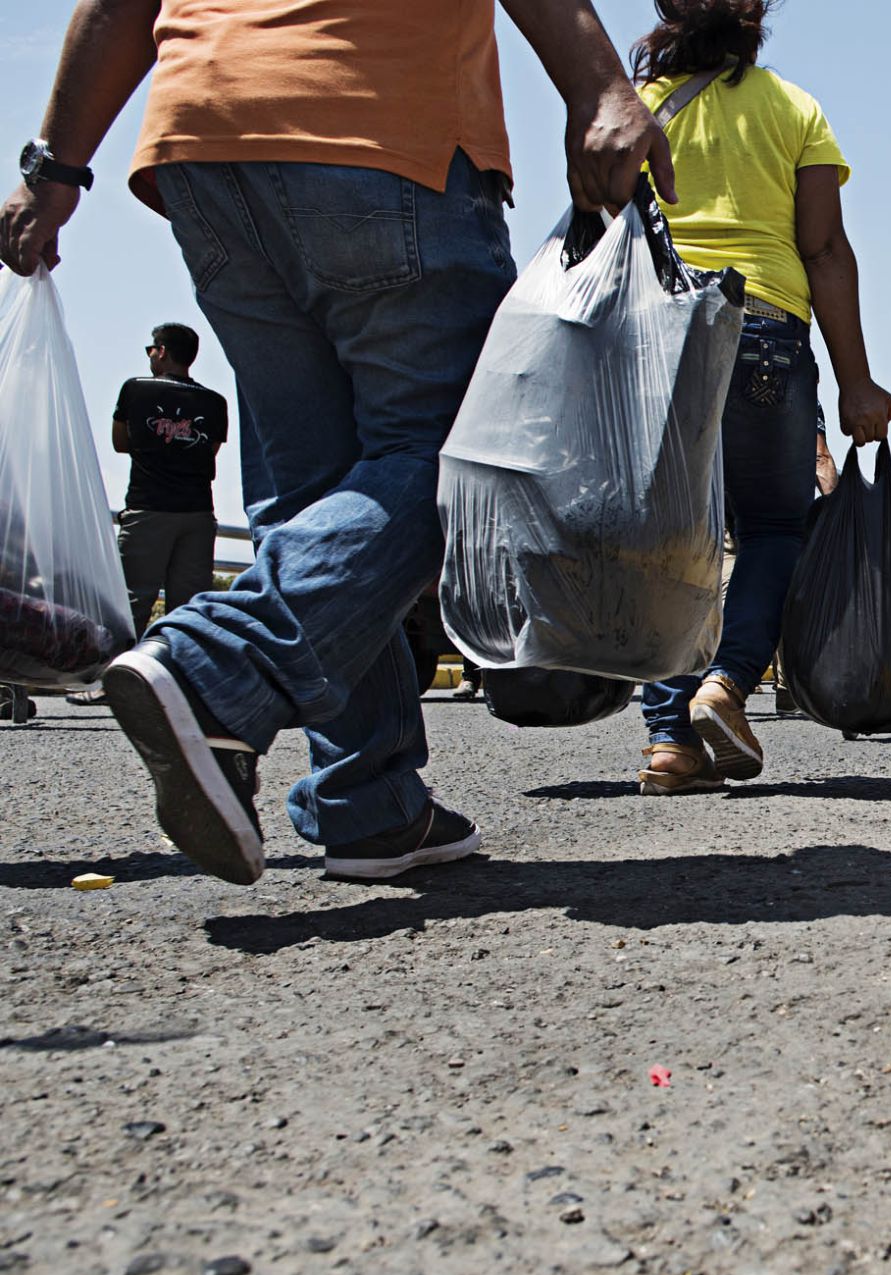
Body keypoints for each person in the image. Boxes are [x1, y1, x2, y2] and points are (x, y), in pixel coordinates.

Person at [1, 0, 678, 885]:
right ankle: (213, 665)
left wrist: (55, 169)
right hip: (380, 127)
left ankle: (370, 802)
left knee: (311, 489)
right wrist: (596, 83)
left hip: (204, 142)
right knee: (470, 462)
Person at [631, 0, 891, 796]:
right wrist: (856, 380)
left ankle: (670, 741)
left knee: (672, 536)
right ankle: (730, 681)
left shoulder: (638, 108)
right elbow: (823, 247)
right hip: (765, 332)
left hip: (657, 333)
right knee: (775, 525)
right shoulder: (793, 109)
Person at [111, 322, 227, 636]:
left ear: (162, 352)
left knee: (129, 604)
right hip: (198, 515)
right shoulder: (216, 403)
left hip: (147, 509)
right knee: (189, 613)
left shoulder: (135, 389)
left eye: (151, 349)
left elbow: (120, 443)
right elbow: (209, 452)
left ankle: (114, 678)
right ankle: (175, 680)